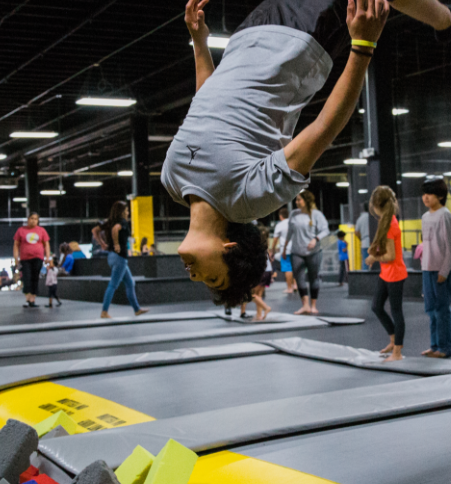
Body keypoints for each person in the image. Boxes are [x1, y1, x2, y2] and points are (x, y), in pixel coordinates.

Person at [164, 0, 450, 309]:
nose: (195, 276)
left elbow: (207, 102)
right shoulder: (248, 199)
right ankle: (445, 22)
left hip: (247, 34)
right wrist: (363, 46)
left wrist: (199, 44)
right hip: (301, 38)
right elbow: (322, 128)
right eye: (212, 279)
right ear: (229, 249)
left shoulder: (171, 180)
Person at [363, 186, 408, 362]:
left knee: (397, 312)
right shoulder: (386, 220)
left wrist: (373, 258)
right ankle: (392, 340)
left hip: (395, 274)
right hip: (386, 274)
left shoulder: (390, 224)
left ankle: (397, 353)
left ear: (376, 205)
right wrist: (375, 250)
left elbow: (391, 256)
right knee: (376, 306)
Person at [98, 201, 150, 319]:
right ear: (122, 212)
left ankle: (137, 309)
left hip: (111, 256)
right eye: (126, 210)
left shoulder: (110, 222)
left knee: (130, 283)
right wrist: (116, 244)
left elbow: (95, 230)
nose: (128, 213)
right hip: (120, 258)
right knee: (113, 285)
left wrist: (101, 243)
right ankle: (104, 312)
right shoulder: (122, 222)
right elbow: (116, 229)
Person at [282, 191, 329, 315]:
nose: (297, 202)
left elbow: (325, 230)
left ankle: (313, 305)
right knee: (299, 278)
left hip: (313, 252)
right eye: (296, 200)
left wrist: (315, 239)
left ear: (306, 201)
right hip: (297, 251)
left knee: (314, 278)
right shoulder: (293, 214)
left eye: (299, 200)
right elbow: (289, 232)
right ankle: (305, 305)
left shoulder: (316, 214)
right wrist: (284, 248)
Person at [420, 178, 451, 359]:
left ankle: (445, 347)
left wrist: (444, 271)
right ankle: (434, 345)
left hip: (440, 270)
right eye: (423, 194)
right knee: (430, 310)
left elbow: (449, 247)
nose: (425, 197)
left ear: (440, 195)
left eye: (429, 194)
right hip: (427, 269)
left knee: (441, 311)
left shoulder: (445, 215)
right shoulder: (425, 217)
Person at [13, 212, 51, 308]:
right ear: (28, 219)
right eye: (32, 218)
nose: (33, 220)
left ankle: (32, 299)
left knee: (35, 278)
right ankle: (27, 298)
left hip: (38, 257)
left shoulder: (41, 230)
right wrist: (16, 258)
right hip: (25, 258)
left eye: (35, 219)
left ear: (37, 221)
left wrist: (47, 257)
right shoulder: (21, 230)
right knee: (26, 277)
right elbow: (16, 245)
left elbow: (46, 244)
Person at [241, 225, 274, 320]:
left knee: (251, 294)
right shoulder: (266, 245)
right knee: (259, 295)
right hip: (267, 271)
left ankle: (266, 307)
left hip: (260, 271)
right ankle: (259, 315)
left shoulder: (255, 246)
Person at [271, 208, 296, 293]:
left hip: (285, 250)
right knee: (295, 268)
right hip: (296, 249)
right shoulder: (293, 223)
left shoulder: (280, 225)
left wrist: (272, 250)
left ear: (280, 216)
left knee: (288, 268)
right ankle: (295, 285)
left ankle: (289, 288)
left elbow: (275, 240)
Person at [355, 204, 371, 271]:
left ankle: (365, 279)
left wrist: (361, 238)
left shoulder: (360, 218)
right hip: (373, 242)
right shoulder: (372, 217)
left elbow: (356, 232)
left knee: (365, 262)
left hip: (364, 242)